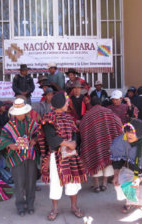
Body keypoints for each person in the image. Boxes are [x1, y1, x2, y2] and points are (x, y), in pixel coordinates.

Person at [38, 92, 87, 221]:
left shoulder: (69, 118)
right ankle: (54, 209)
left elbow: (75, 133)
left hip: (70, 155)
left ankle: (74, 207)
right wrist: (68, 143)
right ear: (59, 104)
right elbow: (51, 138)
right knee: (55, 182)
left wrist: (74, 143)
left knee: (73, 181)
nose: (67, 104)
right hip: (56, 156)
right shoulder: (48, 118)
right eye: (65, 102)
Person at [0, 98, 38, 216]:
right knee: (19, 183)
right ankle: (20, 206)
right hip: (16, 158)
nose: (20, 115)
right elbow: (3, 140)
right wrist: (10, 145)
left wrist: (34, 140)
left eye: (22, 112)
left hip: (30, 156)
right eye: (18, 113)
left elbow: (38, 135)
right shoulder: (8, 126)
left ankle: (30, 204)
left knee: (31, 181)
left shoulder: (32, 123)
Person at [79, 97, 123, 192]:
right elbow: (118, 124)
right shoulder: (108, 112)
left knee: (94, 160)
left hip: (93, 143)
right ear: (101, 103)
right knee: (107, 162)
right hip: (108, 142)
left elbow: (82, 127)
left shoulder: (88, 115)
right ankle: (104, 184)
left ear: (91, 104)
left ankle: (96, 185)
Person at [111, 119, 142, 223]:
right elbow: (118, 159)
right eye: (127, 131)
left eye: (132, 132)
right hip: (130, 169)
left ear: (140, 133)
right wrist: (116, 175)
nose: (129, 135)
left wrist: (140, 179)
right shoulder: (122, 140)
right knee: (124, 185)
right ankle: (129, 202)